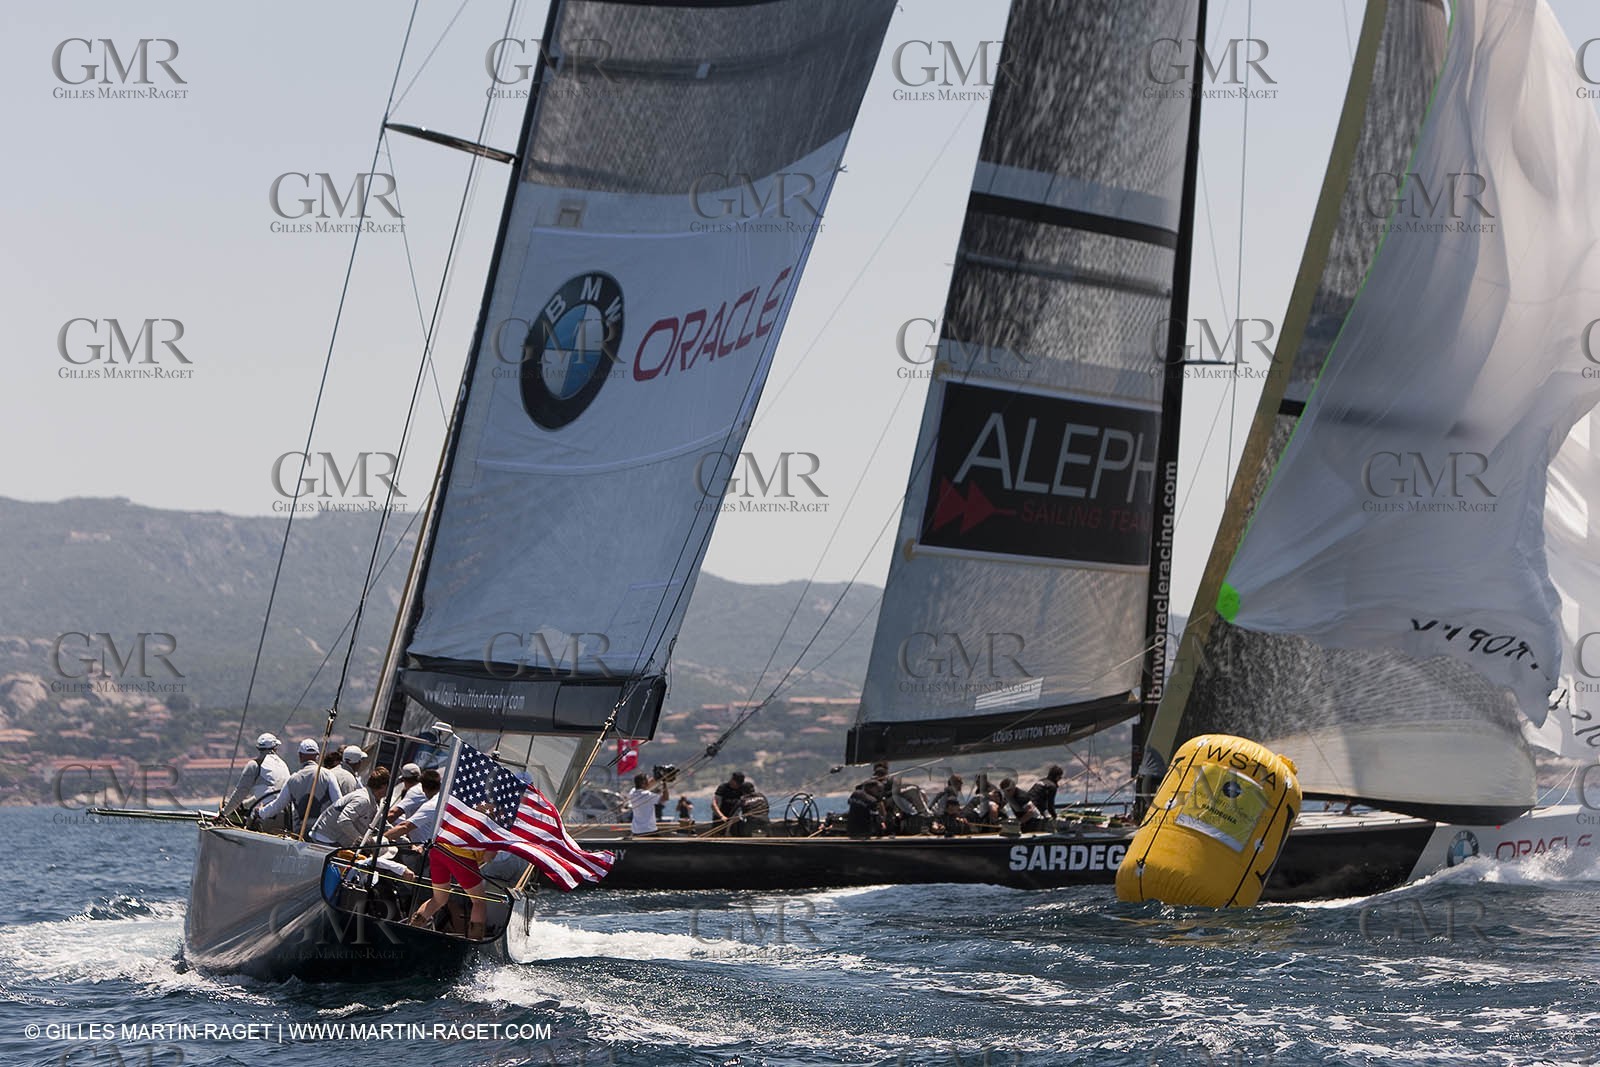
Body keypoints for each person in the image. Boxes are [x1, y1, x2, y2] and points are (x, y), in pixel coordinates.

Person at [409, 802, 490, 940]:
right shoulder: (493, 825)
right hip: (462, 857)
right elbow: (489, 856)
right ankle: (474, 944)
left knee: (438, 899)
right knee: (479, 901)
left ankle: (412, 929)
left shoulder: (465, 813)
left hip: (438, 850)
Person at [257, 738, 344, 832]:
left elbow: (278, 805)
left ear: (300, 756)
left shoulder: (292, 779)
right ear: (317, 756)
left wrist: (261, 812)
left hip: (301, 832)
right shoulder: (328, 774)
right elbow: (338, 803)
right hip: (322, 831)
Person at [219, 733, 291, 821]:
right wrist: (244, 805)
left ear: (258, 748)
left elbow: (241, 792)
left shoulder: (254, 765)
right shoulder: (283, 765)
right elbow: (271, 792)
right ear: (275, 748)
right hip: (287, 817)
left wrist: (224, 813)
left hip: (268, 817)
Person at [311, 767, 389, 847]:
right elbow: (343, 820)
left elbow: (380, 822)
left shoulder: (372, 803)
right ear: (383, 787)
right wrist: (361, 840)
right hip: (326, 839)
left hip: (334, 839)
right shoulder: (363, 800)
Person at [383, 768, 442, 842]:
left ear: (423, 788)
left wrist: (378, 839)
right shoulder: (442, 801)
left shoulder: (430, 805)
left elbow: (404, 826)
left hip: (424, 848)